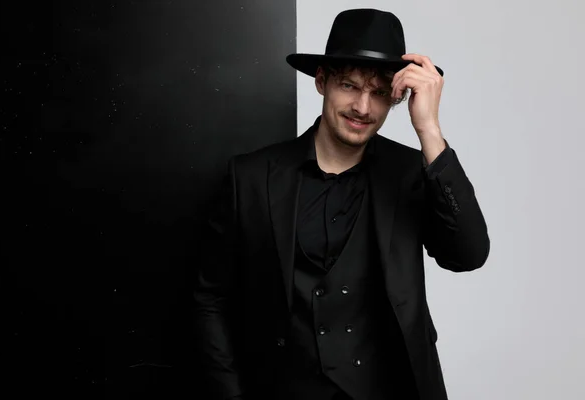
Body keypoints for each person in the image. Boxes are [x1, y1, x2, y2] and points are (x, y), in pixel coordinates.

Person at [192, 8, 489, 400]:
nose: (363, 108)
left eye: (380, 93)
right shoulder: (249, 177)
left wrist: (429, 131)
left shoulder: (411, 173)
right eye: (349, 85)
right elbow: (209, 298)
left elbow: (467, 254)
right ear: (322, 81)